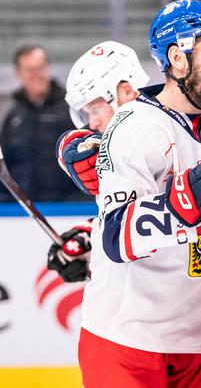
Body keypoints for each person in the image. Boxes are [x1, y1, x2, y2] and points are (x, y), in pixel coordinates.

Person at [78, 0, 201, 388]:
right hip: (129, 342)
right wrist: (186, 201)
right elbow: (115, 236)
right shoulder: (135, 127)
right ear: (177, 58)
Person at [46, 40, 151, 283]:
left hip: (161, 304)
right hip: (123, 301)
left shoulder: (161, 138)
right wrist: (90, 235)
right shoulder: (120, 147)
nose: (91, 124)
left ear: (125, 93)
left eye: (94, 109)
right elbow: (133, 216)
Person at [0, 45, 83, 202]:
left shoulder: (70, 109)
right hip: (25, 210)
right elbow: (5, 162)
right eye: (30, 69)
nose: (37, 74)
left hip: (68, 207)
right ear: (17, 73)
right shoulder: (13, 116)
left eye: (41, 67)